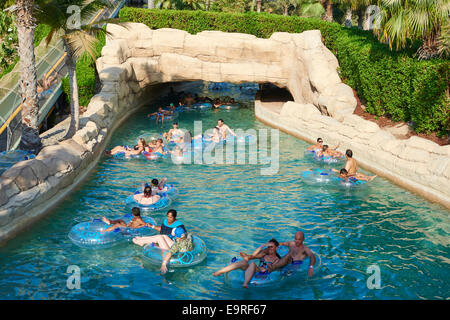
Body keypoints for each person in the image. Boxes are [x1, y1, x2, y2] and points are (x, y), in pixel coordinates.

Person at [212, 239, 281, 288]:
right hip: (254, 269)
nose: (269, 249)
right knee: (243, 262)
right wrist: (263, 246)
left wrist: (266, 269)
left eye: (271, 247)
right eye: (268, 247)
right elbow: (253, 255)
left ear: (276, 248)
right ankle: (219, 272)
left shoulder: (277, 260)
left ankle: (245, 283)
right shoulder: (264, 254)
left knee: (253, 264)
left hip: (261, 273)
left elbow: (274, 269)